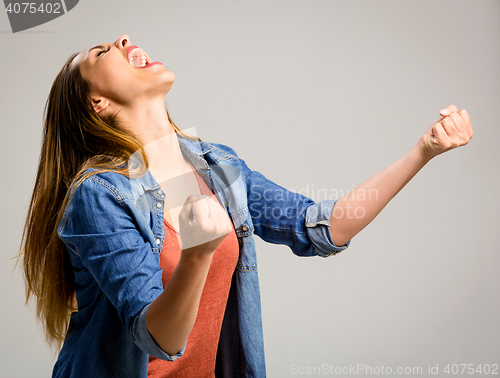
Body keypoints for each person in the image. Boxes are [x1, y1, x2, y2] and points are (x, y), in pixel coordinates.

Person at [19, 34, 473, 378]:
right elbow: (158, 338)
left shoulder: (218, 168)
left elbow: (322, 227)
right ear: (97, 102)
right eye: (102, 52)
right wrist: (196, 255)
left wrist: (423, 151)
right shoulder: (99, 195)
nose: (122, 40)